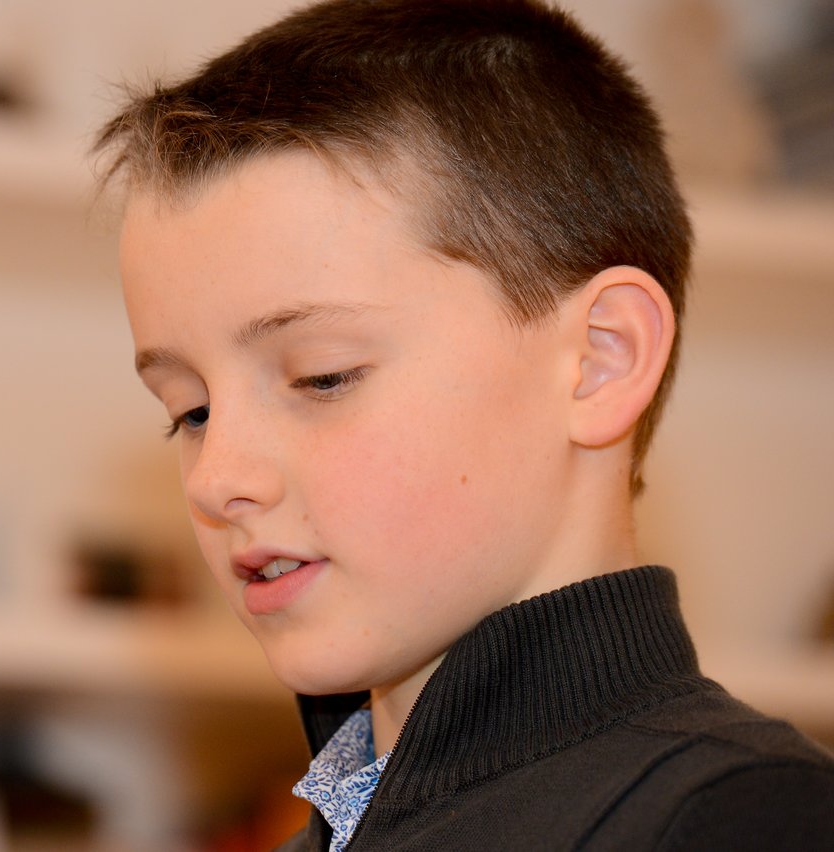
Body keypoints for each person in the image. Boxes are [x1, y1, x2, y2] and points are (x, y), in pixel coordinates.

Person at [94, 0, 834, 848]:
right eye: (191, 411)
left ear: (601, 361)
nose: (217, 477)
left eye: (322, 376)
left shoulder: (741, 817)